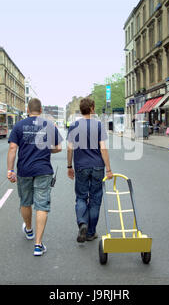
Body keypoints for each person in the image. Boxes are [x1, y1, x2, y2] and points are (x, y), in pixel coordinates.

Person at [7, 98, 63, 256]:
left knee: (25, 202)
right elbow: (58, 147)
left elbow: (12, 147)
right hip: (43, 170)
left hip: (24, 170)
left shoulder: (19, 125)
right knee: (42, 205)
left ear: (27, 109)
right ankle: (38, 245)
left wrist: (10, 170)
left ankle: (29, 230)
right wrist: (46, 151)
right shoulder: (49, 125)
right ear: (41, 110)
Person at [67, 98, 113, 243]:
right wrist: (109, 169)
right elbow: (103, 148)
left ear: (81, 110)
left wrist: (69, 166)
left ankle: (82, 223)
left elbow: (69, 148)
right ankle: (91, 232)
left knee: (81, 197)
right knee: (95, 199)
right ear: (92, 108)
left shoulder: (74, 125)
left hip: (81, 166)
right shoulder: (98, 125)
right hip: (98, 166)